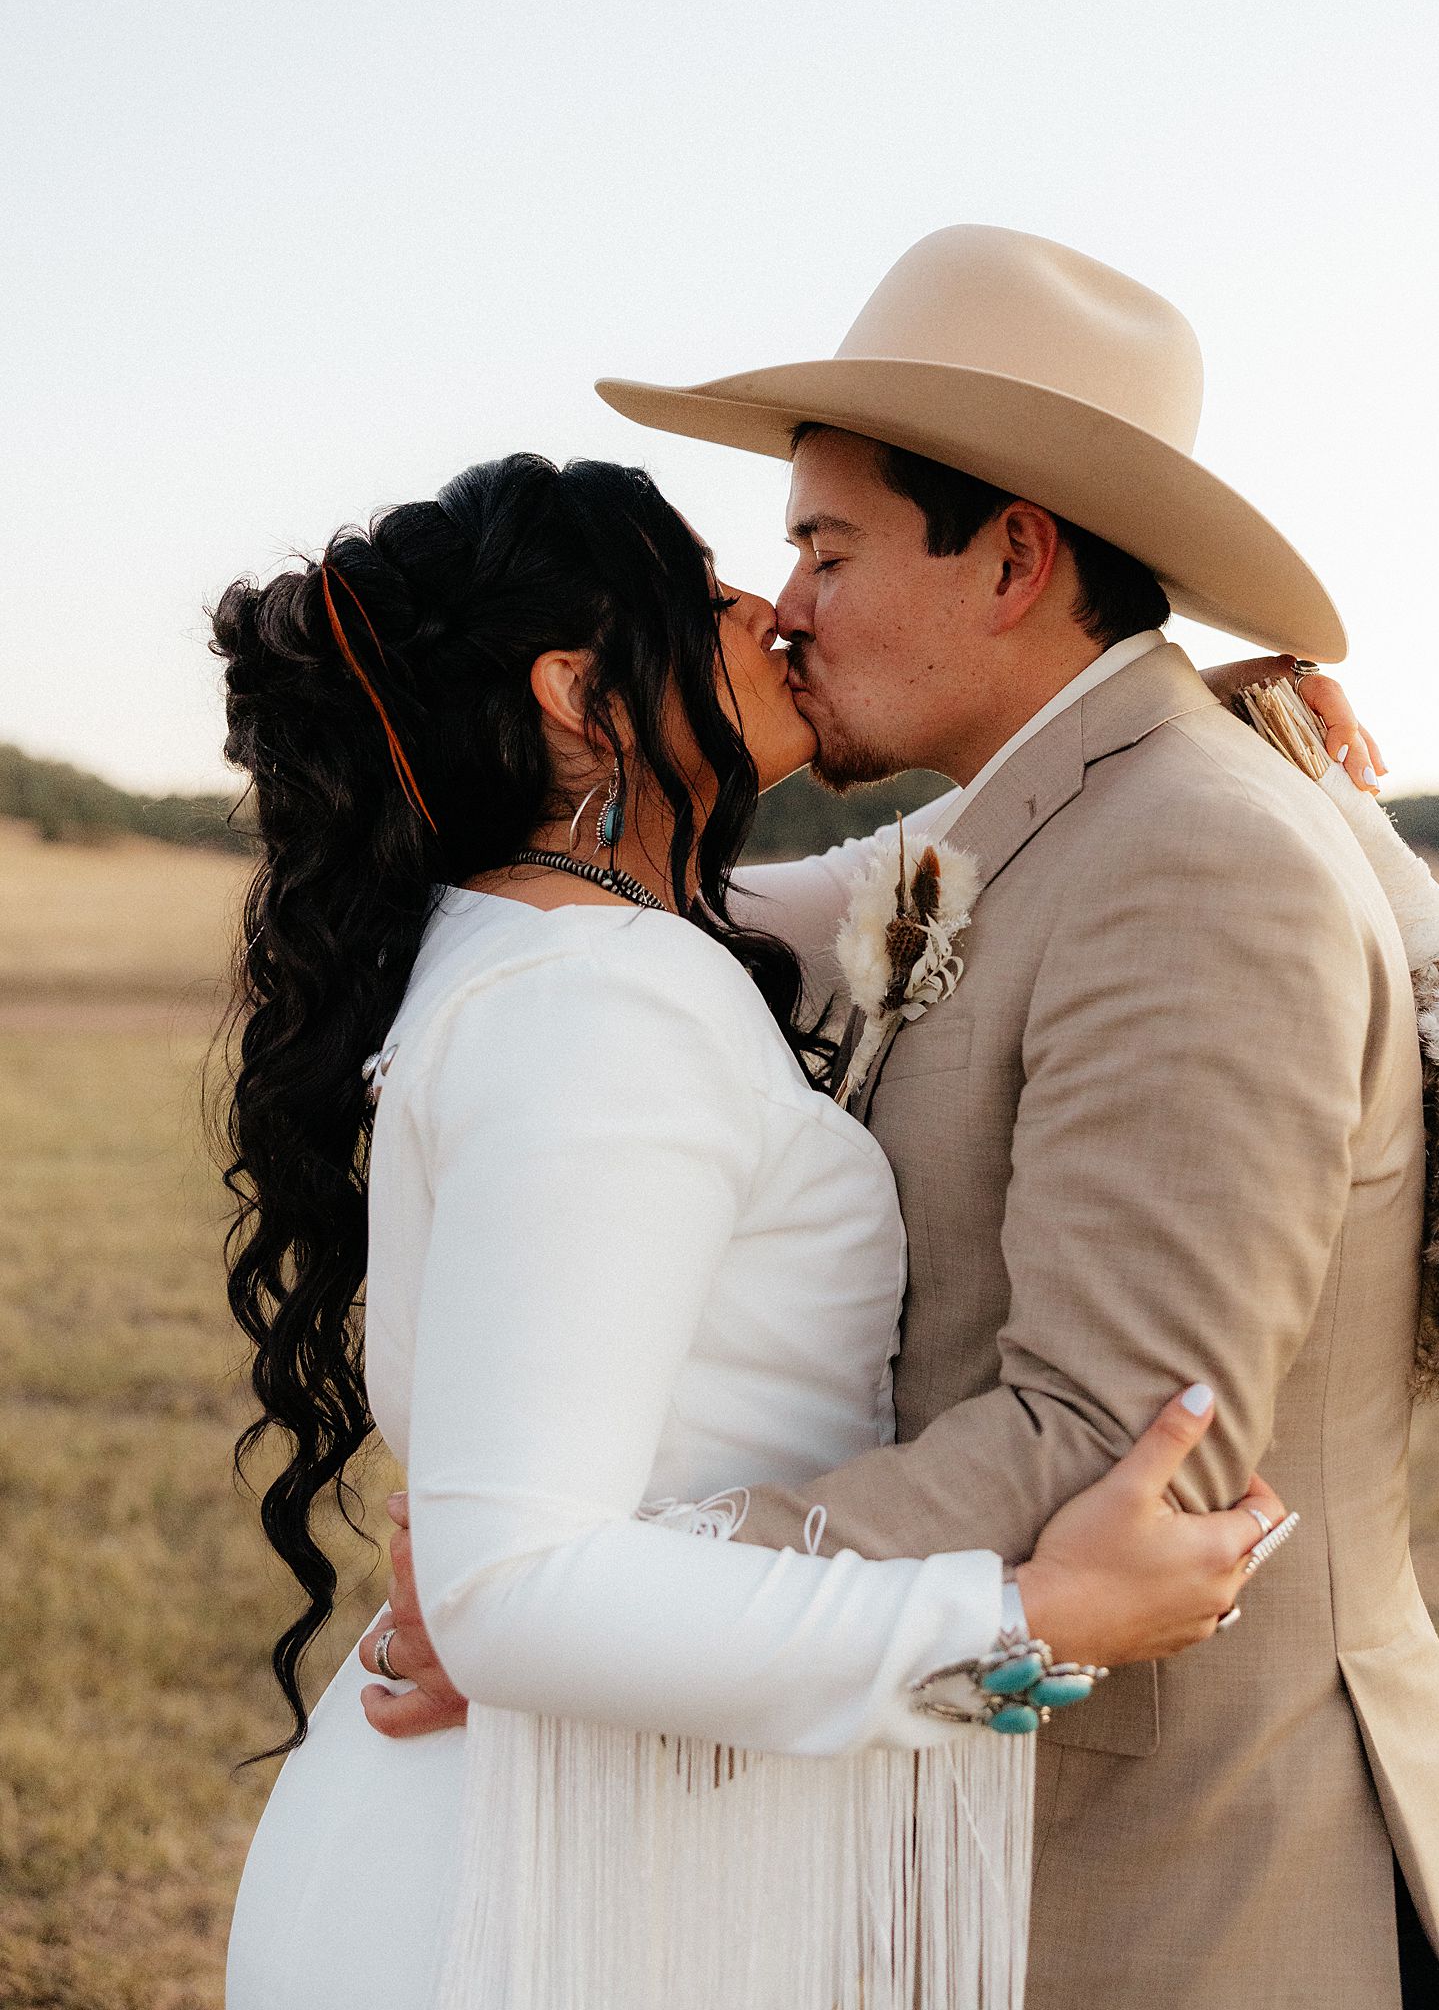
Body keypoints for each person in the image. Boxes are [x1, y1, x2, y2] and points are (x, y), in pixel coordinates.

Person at [379, 226, 1439, 2007]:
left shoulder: (1196, 860)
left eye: (824, 550)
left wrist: (588, 1609)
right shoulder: (1033, 823)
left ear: (1011, 558)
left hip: (1192, 1893)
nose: (785, 611)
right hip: (989, 1844)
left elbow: (1125, 1446)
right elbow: (632, 932)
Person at [216, 450, 1289, 2010]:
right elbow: (514, 1591)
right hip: (543, 1912)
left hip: (559, 1849)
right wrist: (1023, 1617)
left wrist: (1192, 718)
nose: (773, 615)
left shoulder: (532, 934)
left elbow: (970, 847)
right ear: (587, 700)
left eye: (801, 565)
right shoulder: (608, 1002)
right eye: (708, 595)